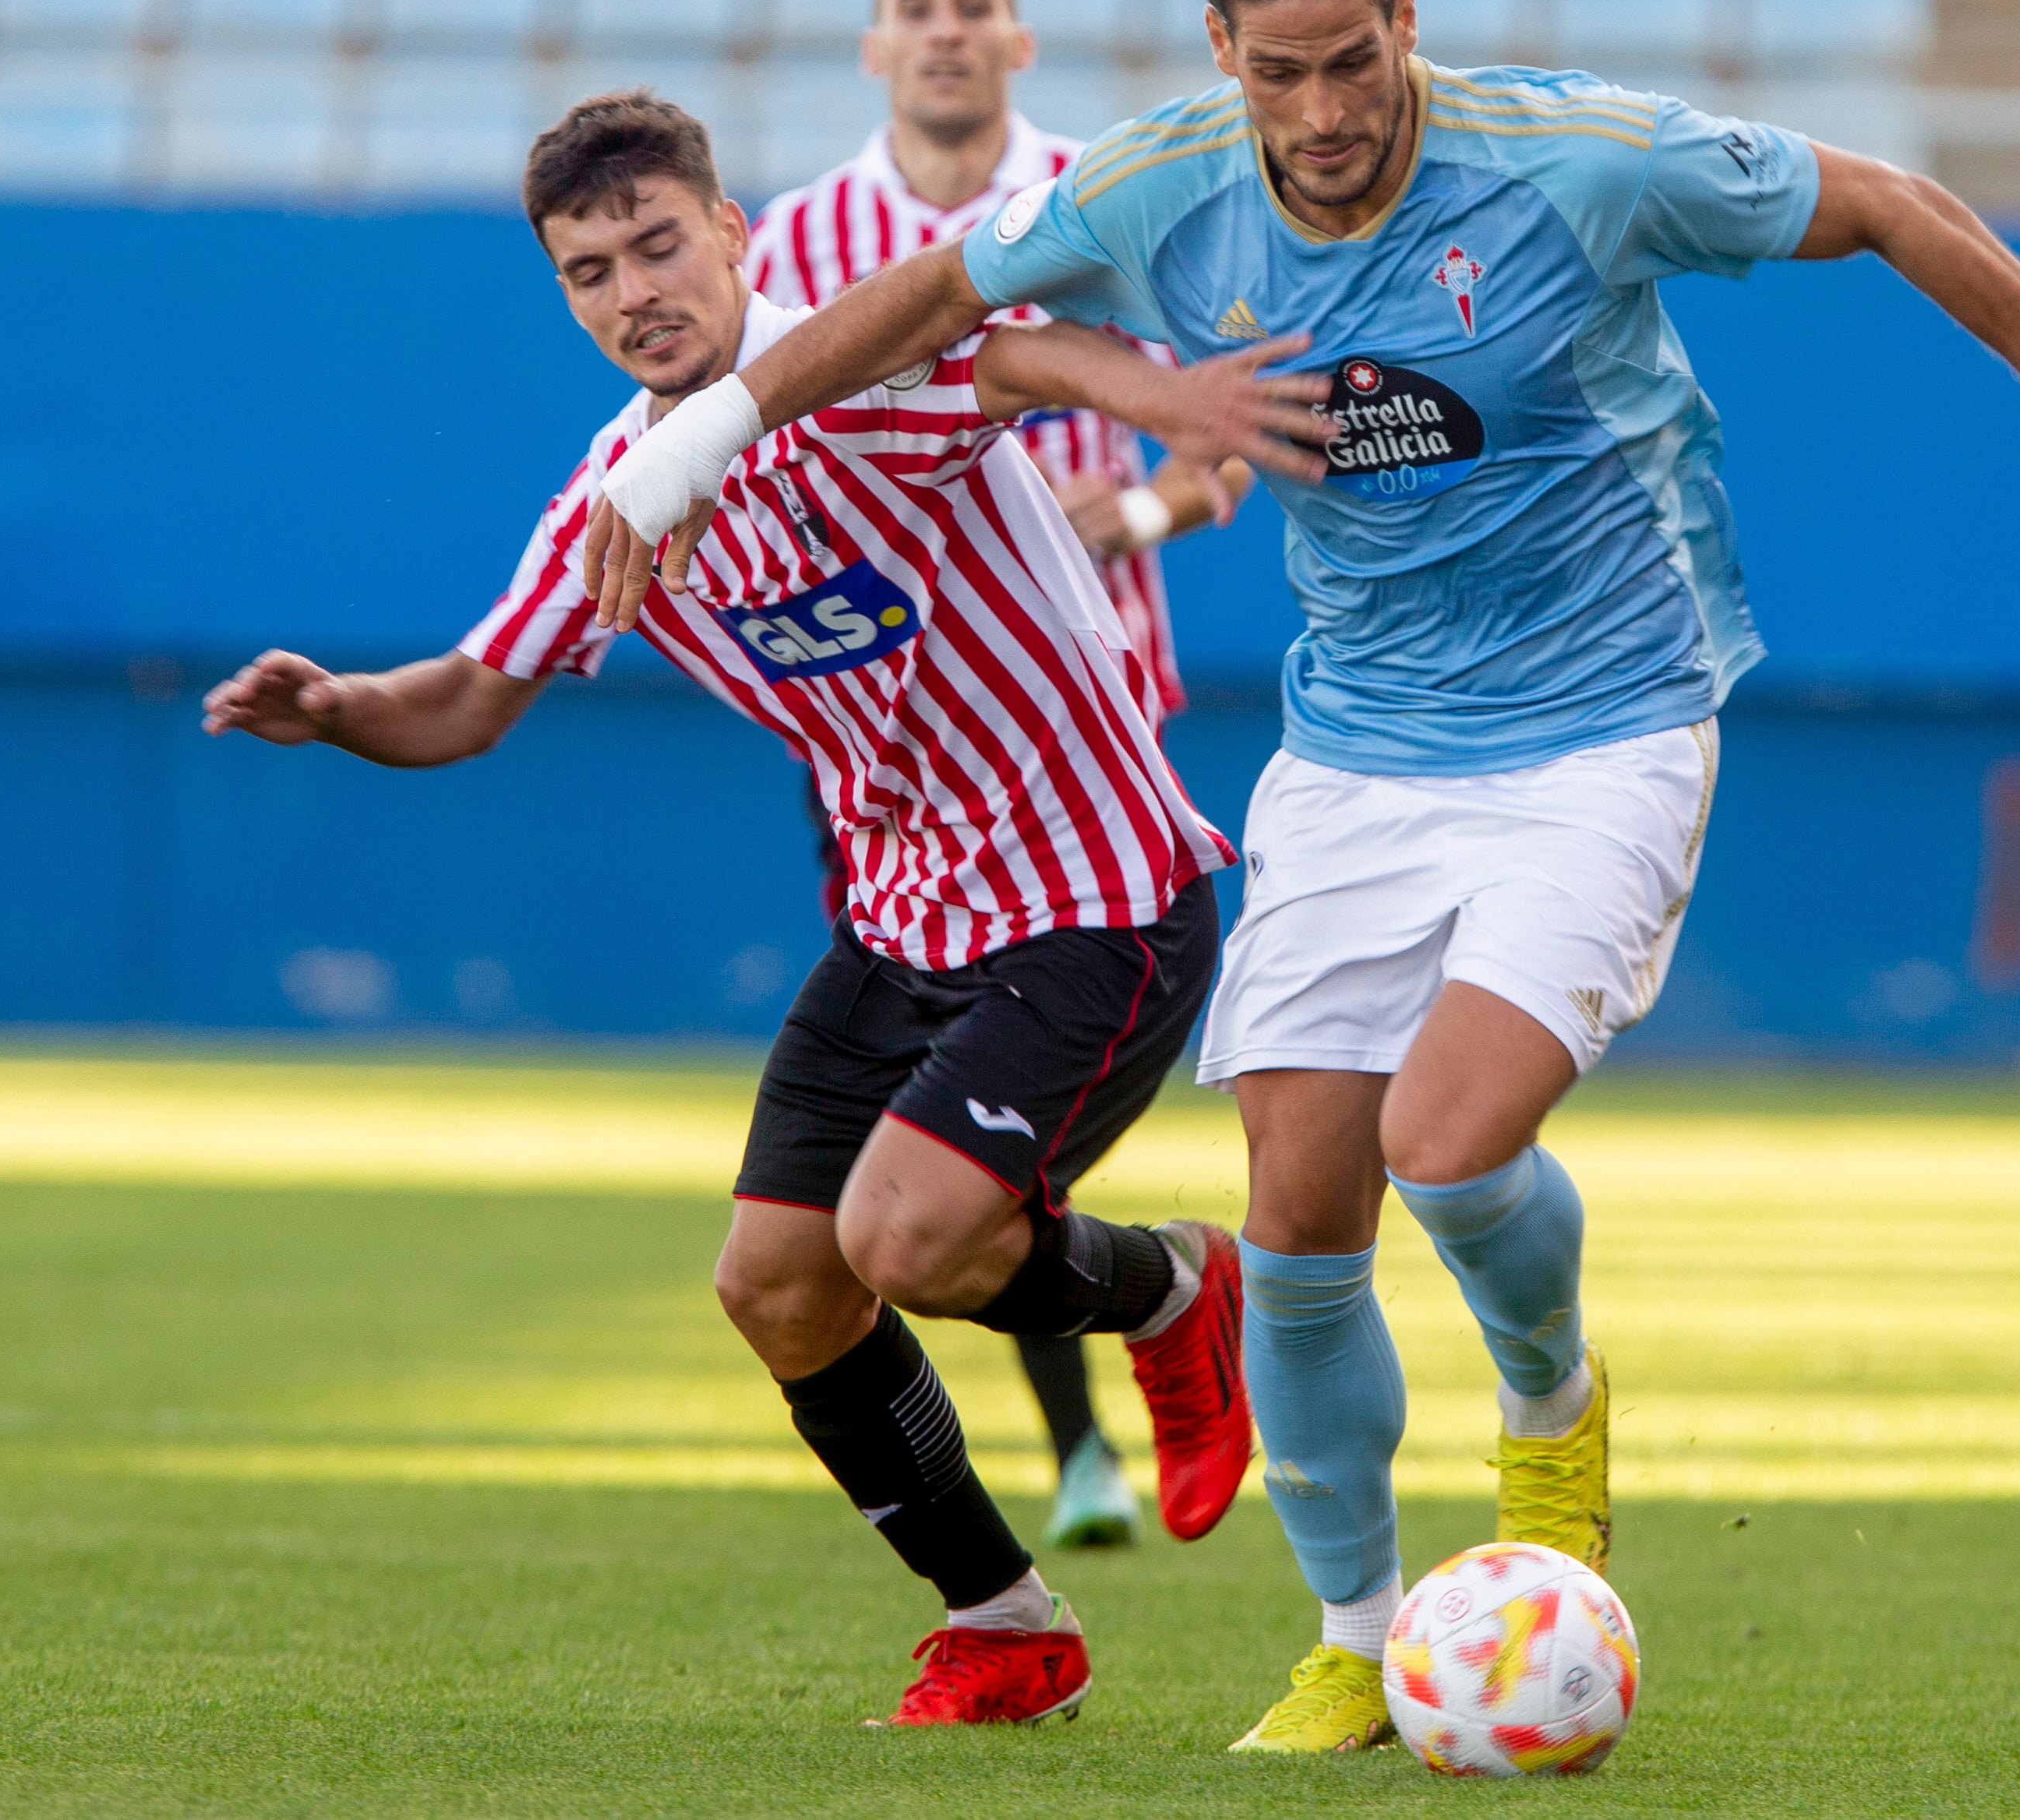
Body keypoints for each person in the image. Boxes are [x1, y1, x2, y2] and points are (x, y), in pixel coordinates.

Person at [578, 0, 2020, 1756]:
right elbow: (933, 293)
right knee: (1294, 1218)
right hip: (1357, 746)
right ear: (1222, 55)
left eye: (1355, 62)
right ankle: (1362, 1634)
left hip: (1606, 719)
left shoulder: (1570, 160)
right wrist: (699, 441)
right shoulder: (1160, 183)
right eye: (1281, 74)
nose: (1327, 112)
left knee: (1448, 1141)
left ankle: (1548, 1413)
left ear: (1406, 24)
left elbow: (1895, 203)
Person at [200, 90, 1312, 1728]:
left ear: (736, 235)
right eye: (590, 271)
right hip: (902, 922)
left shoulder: (855, 378)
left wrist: (1163, 397)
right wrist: (341, 702)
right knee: (779, 1281)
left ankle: (1169, 1290)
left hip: (1095, 895)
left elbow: (1011, 352)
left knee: (906, 1237)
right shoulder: (620, 493)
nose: (634, 288)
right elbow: (471, 696)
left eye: (657, 242)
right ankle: (1005, 1622)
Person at [746, 0, 1255, 1554]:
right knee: (937, 1137)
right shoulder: (804, 247)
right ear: (875, 46)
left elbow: (1211, 453)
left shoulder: (1098, 211)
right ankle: (1086, 1429)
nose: (948, 30)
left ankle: (1107, 1407)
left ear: (1019, 41)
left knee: (975, 1130)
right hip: (900, 747)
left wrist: (1128, 515)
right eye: (917, 7)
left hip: (1087, 715)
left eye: (977, 5)